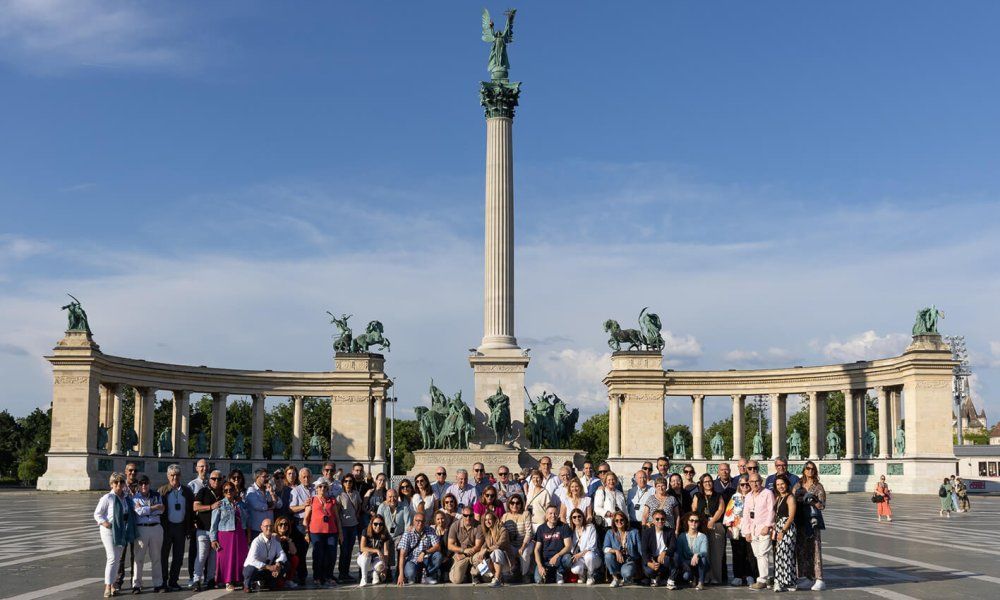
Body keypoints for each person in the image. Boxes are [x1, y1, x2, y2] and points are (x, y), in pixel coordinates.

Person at [96, 472, 137, 597]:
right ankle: (107, 586)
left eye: (121, 482)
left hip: (122, 530)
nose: (119, 484)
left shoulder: (126, 498)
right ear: (111, 484)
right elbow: (97, 513)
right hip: (109, 530)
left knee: (117, 560)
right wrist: (104, 523)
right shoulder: (107, 497)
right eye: (116, 482)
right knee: (112, 558)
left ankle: (113, 584)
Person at [158, 464, 194, 592]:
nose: (175, 477)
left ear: (180, 476)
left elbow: (192, 510)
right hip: (166, 528)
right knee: (163, 556)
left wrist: (190, 527)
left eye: (177, 475)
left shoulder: (187, 491)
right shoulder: (162, 491)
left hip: (181, 527)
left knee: (178, 557)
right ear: (168, 476)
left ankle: (173, 581)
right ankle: (163, 582)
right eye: (172, 475)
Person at [209, 482, 250, 591]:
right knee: (226, 559)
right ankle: (228, 581)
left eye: (231, 489)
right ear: (223, 492)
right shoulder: (220, 504)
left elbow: (246, 517)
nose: (229, 492)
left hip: (239, 533)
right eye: (226, 490)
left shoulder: (240, 503)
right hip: (225, 534)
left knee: (240, 557)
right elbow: (213, 524)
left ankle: (239, 579)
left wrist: (240, 505)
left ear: (234, 490)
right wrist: (213, 539)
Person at [792, 461, 826, 591]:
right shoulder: (798, 484)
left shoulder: (818, 486)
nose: (810, 471)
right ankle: (806, 577)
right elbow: (793, 497)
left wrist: (813, 500)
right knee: (801, 549)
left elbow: (822, 505)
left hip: (812, 521)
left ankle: (819, 578)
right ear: (804, 470)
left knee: (815, 548)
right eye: (808, 468)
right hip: (800, 519)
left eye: (812, 469)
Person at [304, 478, 341, 587]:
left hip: (331, 532)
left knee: (331, 555)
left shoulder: (332, 500)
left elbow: (337, 518)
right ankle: (317, 577)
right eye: (320, 487)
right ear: (316, 489)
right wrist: (306, 533)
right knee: (318, 555)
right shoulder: (312, 500)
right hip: (316, 532)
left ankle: (328, 576)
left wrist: (341, 533)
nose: (322, 489)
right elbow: (306, 519)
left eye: (325, 487)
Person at [740, 472, 774, 590]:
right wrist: (747, 532)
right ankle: (768, 578)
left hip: (764, 528)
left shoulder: (768, 493)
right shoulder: (749, 496)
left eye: (757, 481)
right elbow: (746, 514)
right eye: (752, 481)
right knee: (757, 554)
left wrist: (768, 525)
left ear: (761, 481)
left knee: (762, 553)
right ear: (749, 483)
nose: (755, 483)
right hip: (753, 529)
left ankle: (762, 579)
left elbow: (771, 510)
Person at [191, 469, 224, 591]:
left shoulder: (224, 491)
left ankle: (210, 579)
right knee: (201, 556)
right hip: (203, 530)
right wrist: (211, 507)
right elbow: (195, 507)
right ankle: (196, 580)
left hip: (218, 531)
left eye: (219, 479)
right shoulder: (203, 491)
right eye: (214, 478)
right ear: (209, 480)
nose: (216, 481)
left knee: (213, 557)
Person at [131, 475, 165, 593]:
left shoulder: (156, 495)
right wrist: (153, 508)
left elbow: (161, 510)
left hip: (156, 528)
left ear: (149, 484)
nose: (144, 486)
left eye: (146, 483)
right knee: (139, 558)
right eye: (141, 484)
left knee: (156, 557)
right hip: (141, 529)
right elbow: (139, 512)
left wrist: (146, 508)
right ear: (138, 486)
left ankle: (158, 584)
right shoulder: (134, 498)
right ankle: (136, 585)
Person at [692, 472, 726, 585]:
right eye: (705, 481)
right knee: (703, 552)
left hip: (716, 525)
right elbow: (694, 510)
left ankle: (716, 577)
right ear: (701, 483)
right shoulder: (697, 496)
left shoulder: (718, 495)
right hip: (701, 527)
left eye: (710, 481)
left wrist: (712, 521)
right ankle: (705, 576)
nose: (708, 483)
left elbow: (720, 509)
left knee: (716, 554)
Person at [723, 477, 756, 586]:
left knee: (750, 554)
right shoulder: (735, 496)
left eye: (747, 484)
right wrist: (729, 526)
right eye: (742, 484)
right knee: (737, 554)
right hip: (737, 530)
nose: (745, 486)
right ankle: (738, 576)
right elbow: (729, 512)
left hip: (751, 530)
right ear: (739, 486)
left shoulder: (754, 496)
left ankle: (751, 575)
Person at [396, 512, 442, 585]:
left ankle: (427, 575)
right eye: (418, 521)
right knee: (410, 574)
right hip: (412, 560)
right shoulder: (407, 534)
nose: (420, 523)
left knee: (438, 556)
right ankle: (417, 576)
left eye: (422, 521)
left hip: (426, 559)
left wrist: (425, 552)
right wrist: (400, 574)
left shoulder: (430, 530)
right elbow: (402, 555)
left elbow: (437, 546)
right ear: (413, 521)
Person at [115, 463, 140, 593]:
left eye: (135, 471)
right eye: (130, 470)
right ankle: (118, 581)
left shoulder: (141, 486)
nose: (133, 473)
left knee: (135, 555)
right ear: (125, 471)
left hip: (137, 524)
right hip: (124, 525)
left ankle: (134, 582)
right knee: (121, 556)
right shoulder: (120, 485)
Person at [242, 518, 287, 592]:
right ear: (261, 527)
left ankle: (268, 582)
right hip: (256, 569)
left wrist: (278, 564)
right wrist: (268, 567)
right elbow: (252, 560)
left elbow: (282, 554)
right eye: (266, 526)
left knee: (285, 564)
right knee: (250, 569)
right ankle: (247, 585)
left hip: (267, 569)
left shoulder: (275, 540)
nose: (269, 528)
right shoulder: (256, 541)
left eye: (271, 526)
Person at [772, 474, 798, 592]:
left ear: (787, 484)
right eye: (778, 484)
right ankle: (790, 581)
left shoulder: (790, 497)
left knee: (783, 555)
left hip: (787, 528)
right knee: (784, 555)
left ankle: (780, 581)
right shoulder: (778, 497)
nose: (780, 486)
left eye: (782, 484)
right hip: (779, 527)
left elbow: (791, 517)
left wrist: (782, 531)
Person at [534, 505, 572, 584]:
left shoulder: (564, 527)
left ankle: (560, 571)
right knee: (538, 580)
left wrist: (556, 556)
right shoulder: (541, 528)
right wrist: (540, 566)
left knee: (568, 559)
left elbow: (568, 546)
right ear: (546, 515)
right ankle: (551, 573)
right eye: (550, 513)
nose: (553, 516)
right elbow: (536, 549)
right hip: (545, 560)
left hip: (559, 558)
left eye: (555, 513)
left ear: (558, 514)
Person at [287, 467, 313, 584]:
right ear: (300, 478)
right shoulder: (296, 490)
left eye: (308, 477)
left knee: (316, 550)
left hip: (314, 522)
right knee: (301, 551)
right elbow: (291, 508)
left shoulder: (315, 489)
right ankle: (301, 575)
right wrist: (304, 506)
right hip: (300, 523)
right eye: (304, 477)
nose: (306, 479)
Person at [186, 458, 209, 589]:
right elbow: (189, 507)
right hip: (196, 524)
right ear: (196, 468)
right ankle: (192, 578)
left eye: (206, 466)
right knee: (194, 552)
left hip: (208, 524)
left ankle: (206, 577)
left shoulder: (211, 484)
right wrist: (191, 522)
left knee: (207, 553)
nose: (204, 469)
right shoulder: (192, 485)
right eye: (201, 466)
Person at [475, 510, 514, 586]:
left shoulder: (503, 530)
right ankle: (497, 576)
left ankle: (497, 579)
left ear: (494, 520)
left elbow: (499, 544)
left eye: (490, 519)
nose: (487, 521)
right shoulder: (488, 533)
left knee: (497, 551)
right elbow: (484, 546)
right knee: (479, 557)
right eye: (485, 520)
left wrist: (487, 550)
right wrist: (482, 551)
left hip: (506, 561)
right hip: (494, 562)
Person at [603, 510, 640, 587]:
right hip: (615, 559)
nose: (619, 522)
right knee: (608, 556)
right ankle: (615, 578)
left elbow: (640, 549)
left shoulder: (634, 532)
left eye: (621, 520)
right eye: (616, 520)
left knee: (627, 573)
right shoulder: (610, 533)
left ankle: (627, 577)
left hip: (629, 560)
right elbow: (605, 548)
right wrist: (616, 551)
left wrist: (647, 562)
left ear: (625, 520)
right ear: (614, 522)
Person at [640, 509, 676, 588]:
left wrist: (664, 552)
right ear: (653, 520)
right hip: (652, 558)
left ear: (665, 520)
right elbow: (644, 551)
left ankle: (671, 580)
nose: (660, 521)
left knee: (675, 556)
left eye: (662, 519)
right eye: (657, 519)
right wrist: (649, 563)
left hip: (664, 558)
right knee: (649, 571)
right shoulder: (647, 532)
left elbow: (673, 547)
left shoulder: (670, 531)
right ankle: (656, 578)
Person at [448, 507, 485, 583]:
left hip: (474, 553)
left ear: (473, 515)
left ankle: (474, 574)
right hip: (461, 553)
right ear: (462, 515)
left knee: (487, 579)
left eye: (470, 515)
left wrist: (465, 554)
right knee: (456, 580)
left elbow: (478, 546)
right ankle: (457, 570)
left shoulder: (479, 526)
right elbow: (450, 545)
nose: (468, 518)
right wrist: (463, 551)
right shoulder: (455, 525)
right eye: (465, 515)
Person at [501, 494, 533, 581]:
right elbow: (502, 533)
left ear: (521, 504)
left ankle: (524, 574)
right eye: (512, 503)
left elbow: (528, 532)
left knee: (524, 553)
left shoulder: (525, 514)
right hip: (511, 545)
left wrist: (522, 546)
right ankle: (506, 572)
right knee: (503, 551)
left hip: (525, 543)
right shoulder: (505, 516)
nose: (515, 505)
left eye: (517, 503)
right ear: (509, 504)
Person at [338, 473, 363, 582]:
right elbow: (337, 511)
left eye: (350, 481)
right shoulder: (340, 495)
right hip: (344, 526)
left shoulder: (356, 493)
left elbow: (360, 505)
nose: (348, 483)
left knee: (350, 550)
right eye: (346, 481)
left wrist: (357, 513)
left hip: (353, 525)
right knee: (344, 550)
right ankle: (342, 573)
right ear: (343, 483)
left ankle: (346, 573)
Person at [568, 508, 602, 585]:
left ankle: (590, 575)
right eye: (574, 517)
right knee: (575, 570)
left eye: (579, 516)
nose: (577, 518)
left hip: (593, 557)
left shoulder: (590, 527)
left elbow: (592, 546)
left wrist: (580, 554)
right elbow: (572, 548)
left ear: (583, 517)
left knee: (588, 556)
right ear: (571, 519)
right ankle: (582, 575)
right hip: (580, 558)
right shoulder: (572, 531)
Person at [246, 469, 282, 540]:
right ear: (257, 477)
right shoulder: (251, 490)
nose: (267, 479)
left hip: (269, 529)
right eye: (264, 476)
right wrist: (271, 505)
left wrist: (272, 493)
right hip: (257, 529)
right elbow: (257, 505)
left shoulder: (269, 490)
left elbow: (279, 504)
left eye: (267, 476)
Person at [676, 512, 708, 589]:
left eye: (696, 521)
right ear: (687, 522)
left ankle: (701, 582)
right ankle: (693, 578)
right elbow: (679, 554)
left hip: (699, 563)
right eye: (691, 520)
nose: (694, 523)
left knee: (703, 558)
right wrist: (685, 565)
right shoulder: (682, 536)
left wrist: (697, 555)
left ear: (699, 523)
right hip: (687, 563)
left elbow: (704, 551)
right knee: (686, 576)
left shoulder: (703, 536)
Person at [357, 516, 392, 586]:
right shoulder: (365, 531)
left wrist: (385, 569)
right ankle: (364, 578)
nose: (378, 526)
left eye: (381, 524)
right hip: (364, 559)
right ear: (371, 523)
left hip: (376, 559)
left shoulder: (385, 534)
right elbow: (362, 548)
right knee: (366, 555)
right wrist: (376, 550)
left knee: (382, 565)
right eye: (375, 524)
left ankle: (375, 573)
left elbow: (386, 552)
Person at [272, 516, 299, 589]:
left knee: (295, 558)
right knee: (279, 585)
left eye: (286, 524)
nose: (283, 526)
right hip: (275, 562)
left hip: (286, 562)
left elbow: (294, 552)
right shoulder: (273, 536)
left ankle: (288, 579)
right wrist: (276, 537)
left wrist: (289, 540)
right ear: (277, 526)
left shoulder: (288, 537)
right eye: (281, 524)